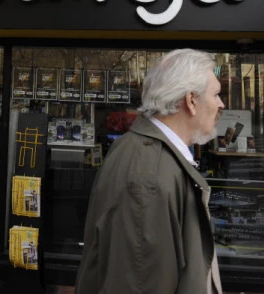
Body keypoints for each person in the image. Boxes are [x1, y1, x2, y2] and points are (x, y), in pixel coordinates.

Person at [76, 49, 224, 294]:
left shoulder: (150, 156)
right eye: (216, 94)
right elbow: (139, 283)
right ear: (191, 100)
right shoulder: (148, 176)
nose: (221, 104)